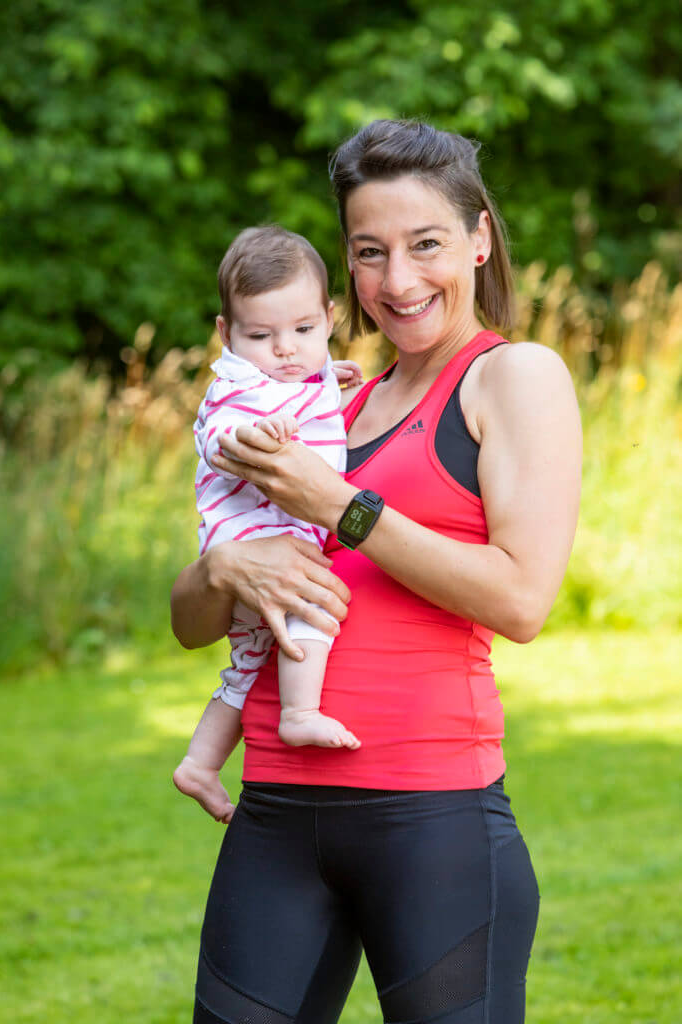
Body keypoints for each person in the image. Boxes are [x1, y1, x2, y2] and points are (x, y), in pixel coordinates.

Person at [171, 119, 582, 1024]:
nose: (397, 281)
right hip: (274, 813)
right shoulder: (323, 399)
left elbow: (520, 600)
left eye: (425, 244)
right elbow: (192, 619)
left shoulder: (511, 377)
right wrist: (227, 564)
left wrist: (339, 506)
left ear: (478, 239)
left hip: (429, 819)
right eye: (369, 252)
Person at [173, 225, 364, 825]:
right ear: (227, 334)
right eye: (261, 335)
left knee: (248, 662)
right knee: (313, 612)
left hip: (271, 542)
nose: (285, 349)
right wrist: (252, 440)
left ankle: (199, 764)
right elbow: (219, 433)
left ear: (329, 319)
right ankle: (299, 713)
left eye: (303, 331)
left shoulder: (303, 378)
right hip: (254, 545)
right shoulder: (238, 389)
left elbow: (303, 393)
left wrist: (329, 381)